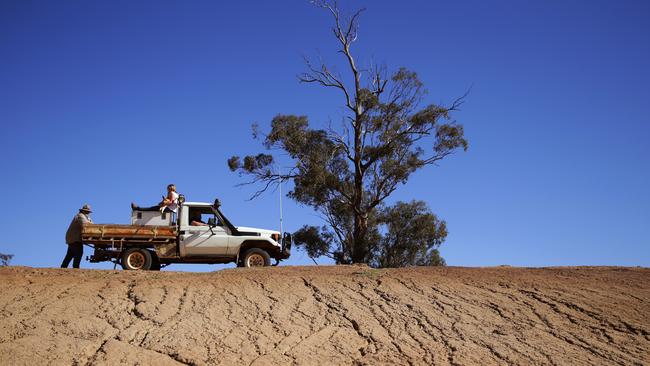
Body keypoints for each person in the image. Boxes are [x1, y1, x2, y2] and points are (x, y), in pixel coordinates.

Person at [61, 204, 93, 269]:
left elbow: (92, 224)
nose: (88, 213)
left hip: (73, 238)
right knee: (79, 252)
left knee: (70, 254)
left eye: (88, 212)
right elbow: (86, 224)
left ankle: (63, 267)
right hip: (74, 238)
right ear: (83, 211)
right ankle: (76, 267)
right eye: (87, 211)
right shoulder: (80, 216)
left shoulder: (86, 217)